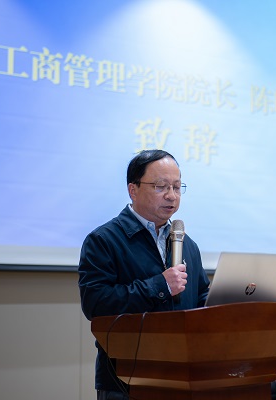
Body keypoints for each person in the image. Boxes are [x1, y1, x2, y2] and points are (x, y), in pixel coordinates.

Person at [78, 149, 210, 400]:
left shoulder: (187, 244)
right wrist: (159, 286)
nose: (171, 195)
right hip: (125, 381)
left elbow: (201, 298)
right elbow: (96, 304)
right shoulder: (104, 240)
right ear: (133, 190)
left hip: (183, 375)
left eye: (177, 187)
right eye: (161, 186)